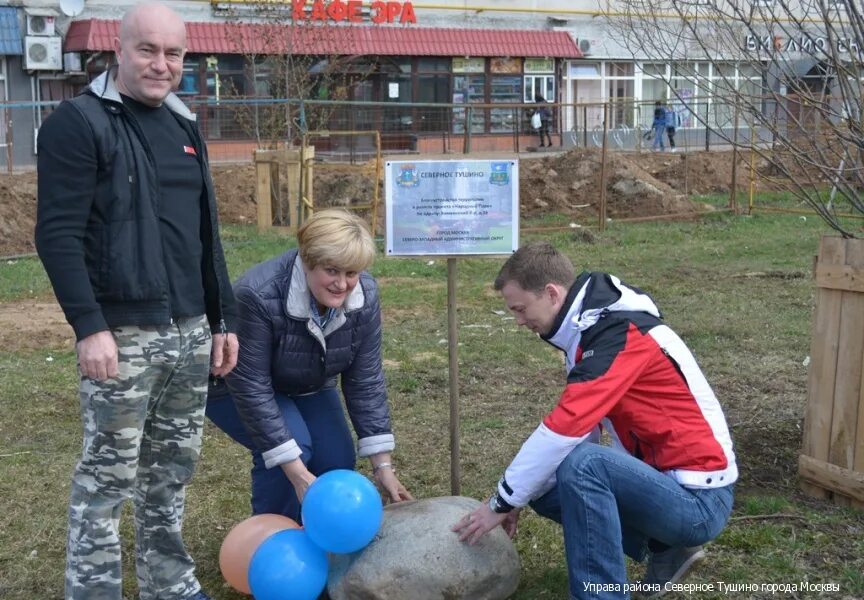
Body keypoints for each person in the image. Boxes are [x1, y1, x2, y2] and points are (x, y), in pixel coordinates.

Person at [34, 3, 237, 600]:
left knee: (170, 475)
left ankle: (168, 587)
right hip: (124, 335)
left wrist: (222, 317)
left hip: (191, 332)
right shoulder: (80, 122)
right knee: (108, 479)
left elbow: (206, 234)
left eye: (172, 53)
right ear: (118, 50)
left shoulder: (183, 124)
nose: (160, 63)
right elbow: (57, 234)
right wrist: (88, 325)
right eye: (147, 49)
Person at [452, 242, 737, 600]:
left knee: (583, 466)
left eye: (520, 309)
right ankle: (665, 548)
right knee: (545, 486)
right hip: (670, 486)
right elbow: (580, 431)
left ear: (552, 293)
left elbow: (565, 426)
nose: (519, 321)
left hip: (700, 502)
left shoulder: (619, 334)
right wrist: (518, 497)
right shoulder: (590, 331)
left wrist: (501, 503)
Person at [206, 209, 412, 522]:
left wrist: (383, 467)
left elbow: (365, 380)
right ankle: (273, 537)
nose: (343, 284)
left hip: (305, 382)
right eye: (332, 271)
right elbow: (252, 387)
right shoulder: (257, 295)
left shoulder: (365, 295)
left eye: (352, 273)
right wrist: (297, 473)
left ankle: (321, 538)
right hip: (234, 386)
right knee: (292, 450)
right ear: (307, 261)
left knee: (336, 458)